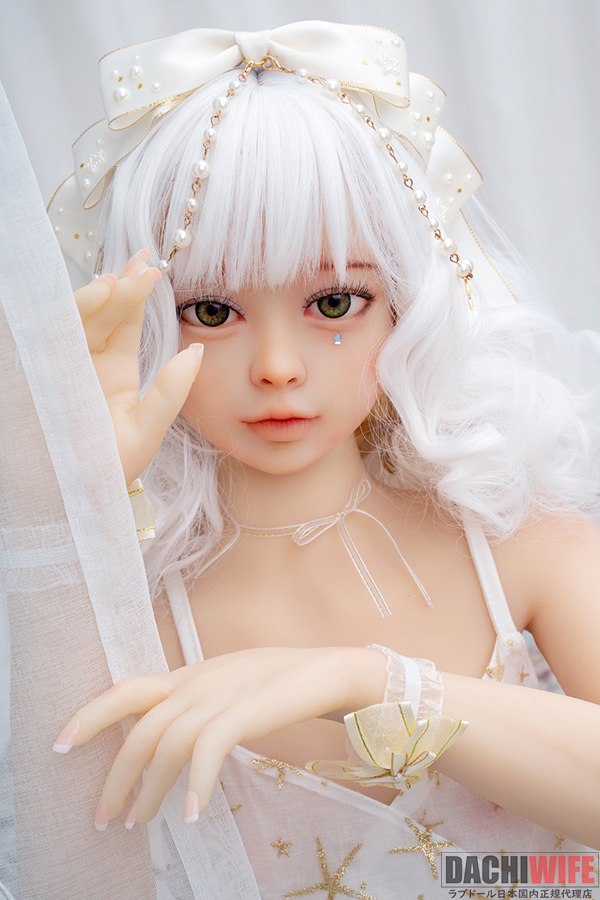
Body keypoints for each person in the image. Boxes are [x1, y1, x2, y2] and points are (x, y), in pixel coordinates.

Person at [3, 21, 600, 900]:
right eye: (212, 311)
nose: (278, 366)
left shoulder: (520, 540)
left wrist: (370, 681)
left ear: (405, 301)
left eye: (334, 301)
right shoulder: (138, 619)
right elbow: (67, 876)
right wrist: (61, 507)